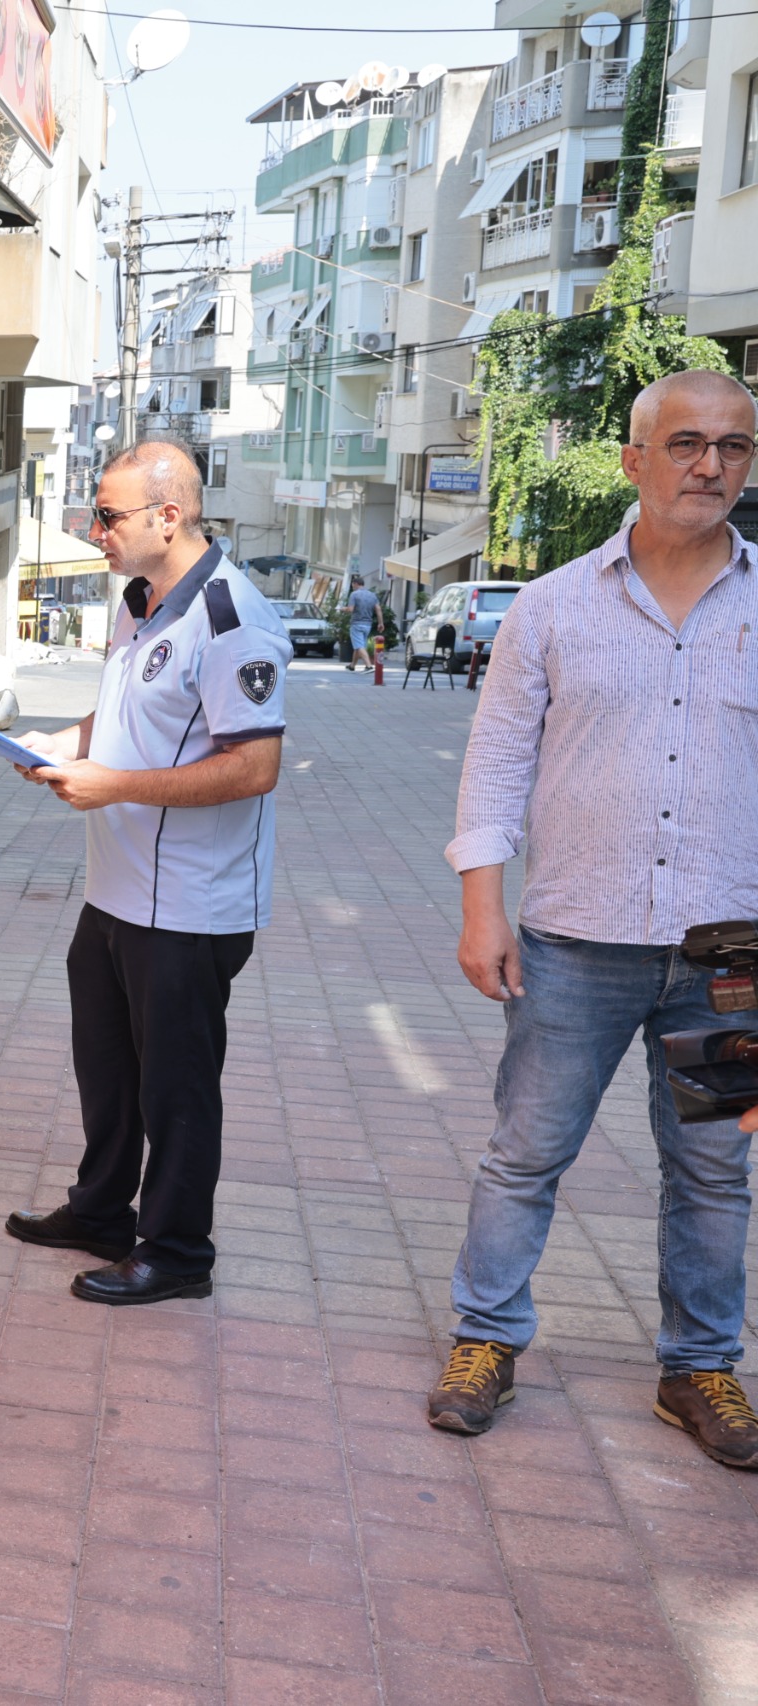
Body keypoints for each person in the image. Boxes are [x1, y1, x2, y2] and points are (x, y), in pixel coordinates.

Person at [429, 370, 758, 1469]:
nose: (708, 465)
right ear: (632, 459)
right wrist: (484, 906)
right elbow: (496, 762)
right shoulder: (552, 604)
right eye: (684, 443)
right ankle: (485, 1339)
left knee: (713, 1170)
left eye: (732, 446)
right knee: (524, 1153)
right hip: (572, 937)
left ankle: (698, 1366)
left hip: (727, 954)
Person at [3, 440, 291, 1305]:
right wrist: (69, 743)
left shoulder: (237, 622)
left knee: (176, 1089)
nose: (95, 531)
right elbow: (134, 707)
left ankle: (176, 1252)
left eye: (109, 515)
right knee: (108, 1068)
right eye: (95, 514)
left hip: (190, 907)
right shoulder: (140, 597)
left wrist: (112, 785)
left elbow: (254, 767)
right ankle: (100, 1211)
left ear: (170, 518)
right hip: (117, 889)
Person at [345, 576, 379, 673]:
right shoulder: (372, 595)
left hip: (356, 623)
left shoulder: (354, 594)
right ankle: (352, 665)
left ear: (356, 584)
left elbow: (350, 609)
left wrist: (343, 609)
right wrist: (380, 623)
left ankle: (368, 666)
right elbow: (378, 609)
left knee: (359, 646)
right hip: (368, 624)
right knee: (359, 645)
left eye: (352, 585)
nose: (352, 587)